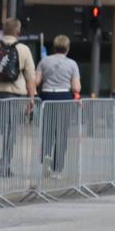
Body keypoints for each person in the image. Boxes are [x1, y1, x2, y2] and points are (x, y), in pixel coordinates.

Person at [0, 17, 37, 177]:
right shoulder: (24, 49)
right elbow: (31, 77)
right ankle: (6, 165)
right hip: (15, 96)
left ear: (3, 30)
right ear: (18, 31)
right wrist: (31, 99)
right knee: (11, 131)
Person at [36, 35, 80, 175]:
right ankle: (57, 168)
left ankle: (46, 159)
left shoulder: (44, 61)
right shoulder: (72, 64)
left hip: (47, 96)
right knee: (61, 133)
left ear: (54, 47)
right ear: (67, 48)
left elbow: (36, 81)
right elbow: (76, 88)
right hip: (63, 97)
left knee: (47, 130)